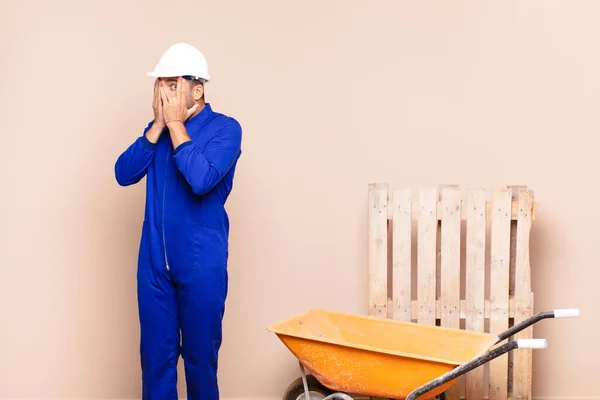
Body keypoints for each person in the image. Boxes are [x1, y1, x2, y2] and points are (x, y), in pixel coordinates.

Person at [114, 42, 242, 400]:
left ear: (197, 90)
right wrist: (156, 128)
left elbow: (202, 180)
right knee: (155, 363)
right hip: (154, 267)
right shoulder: (155, 132)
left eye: (172, 85)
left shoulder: (226, 129)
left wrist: (174, 125)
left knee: (201, 364)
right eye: (160, 85)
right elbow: (123, 174)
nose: (163, 93)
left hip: (202, 266)